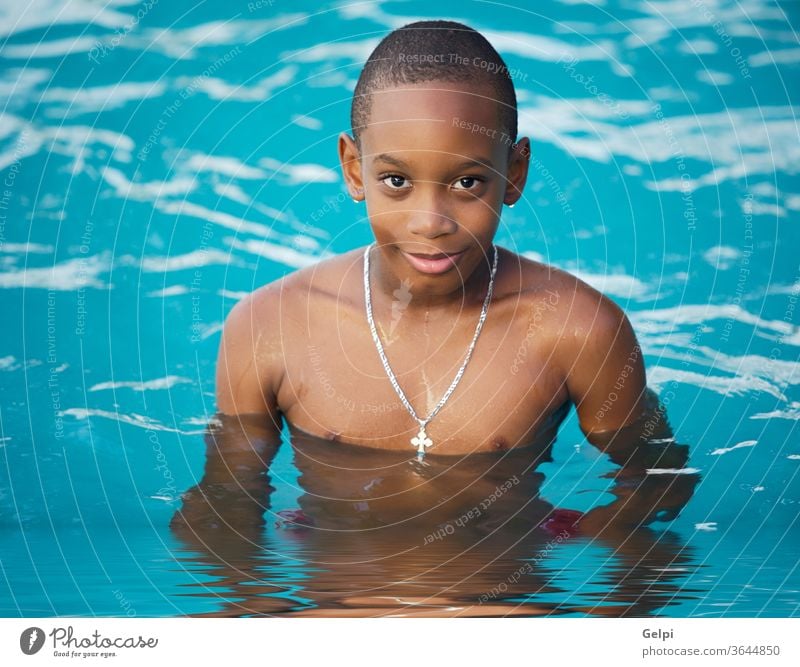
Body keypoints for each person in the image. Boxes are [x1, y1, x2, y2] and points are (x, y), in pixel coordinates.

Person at [173, 20, 696, 562]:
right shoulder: (268, 327)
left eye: (468, 183)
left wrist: (600, 563)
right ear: (354, 170)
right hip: (339, 611)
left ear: (514, 173)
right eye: (396, 180)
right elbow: (225, 506)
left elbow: (658, 480)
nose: (431, 223)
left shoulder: (579, 330)